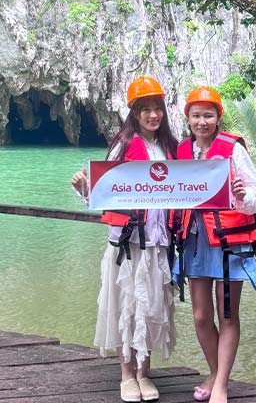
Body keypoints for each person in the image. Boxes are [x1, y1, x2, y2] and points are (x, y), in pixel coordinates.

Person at [71, 76, 178, 403]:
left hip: (158, 243)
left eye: (157, 108)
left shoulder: (169, 148)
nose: (152, 115)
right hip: (127, 243)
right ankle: (126, 375)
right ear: (134, 113)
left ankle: (145, 372)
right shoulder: (123, 144)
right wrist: (83, 189)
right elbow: (103, 190)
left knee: (151, 307)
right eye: (144, 109)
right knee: (126, 306)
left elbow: (188, 188)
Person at [172, 86, 256, 403]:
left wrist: (241, 197)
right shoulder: (182, 152)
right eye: (196, 115)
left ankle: (222, 385)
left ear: (218, 118)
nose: (202, 122)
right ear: (187, 118)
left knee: (227, 316)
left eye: (208, 115)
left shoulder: (233, 150)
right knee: (201, 316)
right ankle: (215, 373)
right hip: (196, 241)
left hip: (229, 245)